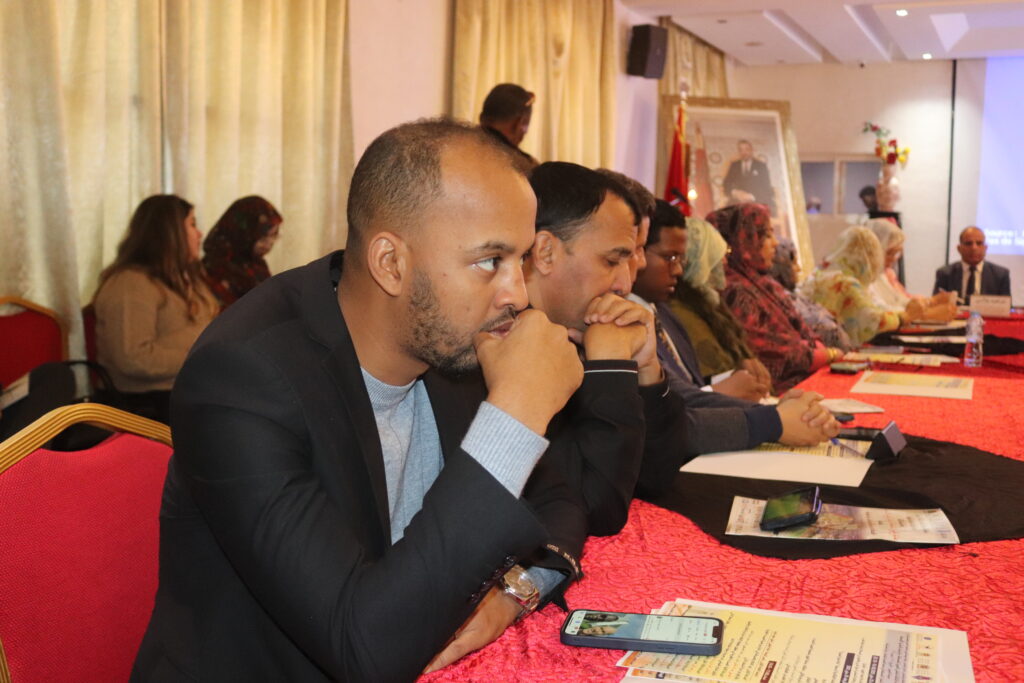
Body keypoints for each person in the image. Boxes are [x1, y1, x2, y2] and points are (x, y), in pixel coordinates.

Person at [131, 119, 591, 681]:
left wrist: (512, 596)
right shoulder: (241, 380)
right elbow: (363, 647)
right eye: (489, 261)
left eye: (521, 260)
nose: (516, 294)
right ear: (390, 263)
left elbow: (561, 502)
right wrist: (517, 412)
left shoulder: (451, 342)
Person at [522, 162, 673, 533]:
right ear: (545, 252)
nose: (624, 284)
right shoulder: (507, 347)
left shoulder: (573, 329)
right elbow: (597, 508)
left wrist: (647, 368)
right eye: (611, 260)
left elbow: (655, 478)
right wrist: (609, 366)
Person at [632, 200, 838, 461]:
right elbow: (672, 416)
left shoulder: (663, 313)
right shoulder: (638, 317)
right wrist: (772, 418)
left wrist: (774, 410)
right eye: (614, 258)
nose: (679, 269)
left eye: (681, 259)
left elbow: (685, 392)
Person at [92, 194, 218, 424]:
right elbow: (134, 359)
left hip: (188, 393)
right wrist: (205, 358)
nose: (200, 234)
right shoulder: (131, 283)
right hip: (147, 406)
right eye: (192, 224)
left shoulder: (186, 279)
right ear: (170, 233)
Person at [708, 203, 839, 393]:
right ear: (745, 240)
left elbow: (800, 335)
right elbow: (773, 352)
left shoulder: (762, 283)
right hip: (774, 391)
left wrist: (820, 350)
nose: (775, 243)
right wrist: (827, 354)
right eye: (767, 235)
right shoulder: (735, 291)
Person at [669, 214, 769, 382]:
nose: (724, 261)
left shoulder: (708, 300)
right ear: (697, 257)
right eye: (715, 253)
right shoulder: (680, 311)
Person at [801, 225, 918, 347]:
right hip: (833, 349)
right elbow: (874, 320)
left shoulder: (818, 274)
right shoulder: (847, 283)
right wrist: (905, 317)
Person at [771, 238, 853, 351]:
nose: (799, 269)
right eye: (793, 263)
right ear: (781, 266)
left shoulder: (793, 296)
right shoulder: (779, 300)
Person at [201, 195, 283, 309]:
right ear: (244, 233)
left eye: (274, 235)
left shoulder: (257, 266)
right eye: (263, 236)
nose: (270, 242)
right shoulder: (215, 269)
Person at [865, 219, 955, 321]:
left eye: (897, 253)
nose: (894, 258)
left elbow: (900, 300)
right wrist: (926, 312)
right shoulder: (865, 276)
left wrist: (929, 303)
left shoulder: (882, 274)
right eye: (890, 253)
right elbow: (879, 310)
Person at [933, 226, 1012, 304]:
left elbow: (1006, 307)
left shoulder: (1000, 275)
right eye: (968, 243)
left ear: (985, 248)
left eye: (979, 243)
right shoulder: (945, 274)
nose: (974, 248)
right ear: (959, 248)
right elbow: (936, 305)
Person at [479, 83, 537, 168]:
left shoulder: (461, 148)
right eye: (526, 124)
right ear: (519, 123)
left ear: (481, 118)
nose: (526, 132)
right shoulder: (525, 166)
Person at [722, 139, 775, 213]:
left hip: (758, 199)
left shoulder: (761, 166)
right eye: (741, 150)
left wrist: (751, 196)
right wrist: (736, 192)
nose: (744, 152)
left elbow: (766, 186)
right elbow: (726, 184)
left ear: (752, 150)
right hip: (738, 201)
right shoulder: (734, 165)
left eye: (747, 149)